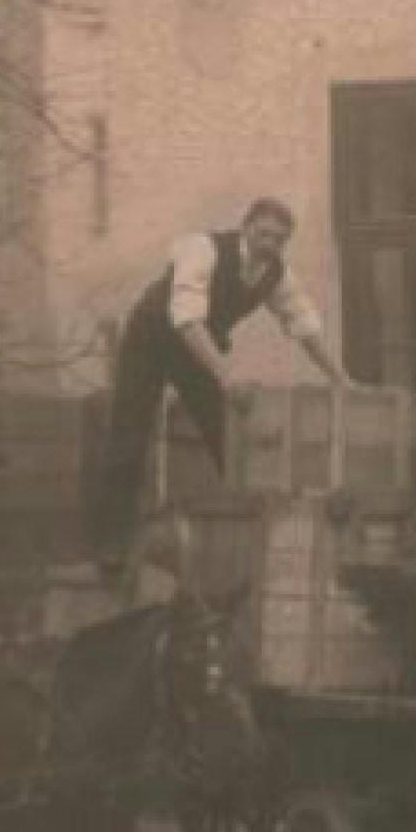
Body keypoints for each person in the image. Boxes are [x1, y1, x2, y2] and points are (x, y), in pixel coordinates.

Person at [87, 196, 354, 579]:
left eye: (278, 239)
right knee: (128, 438)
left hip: (197, 349)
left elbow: (304, 327)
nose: (269, 245)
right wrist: (226, 377)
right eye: (263, 234)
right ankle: (110, 546)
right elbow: (187, 321)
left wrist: (340, 378)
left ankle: (248, 541)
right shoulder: (203, 250)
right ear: (246, 228)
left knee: (229, 436)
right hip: (152, 340)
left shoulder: (275, 275)